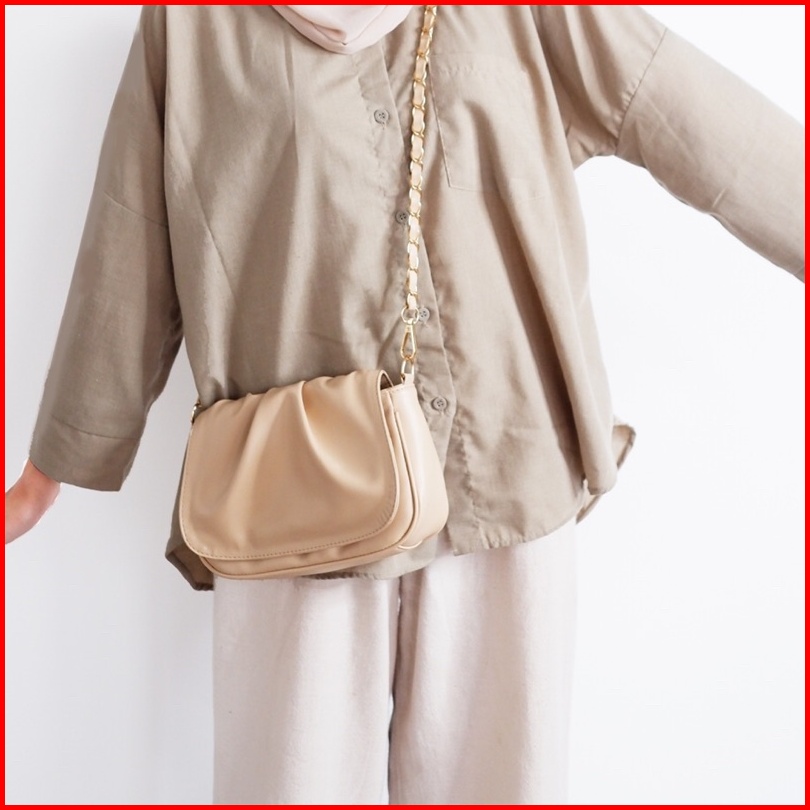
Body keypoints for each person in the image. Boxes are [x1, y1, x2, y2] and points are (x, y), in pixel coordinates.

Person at [5, 5, 804, 805]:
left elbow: (683, 112)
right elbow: (130, 237)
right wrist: (52, 469)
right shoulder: (193, 25)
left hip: (502, 473)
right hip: (294, 502)